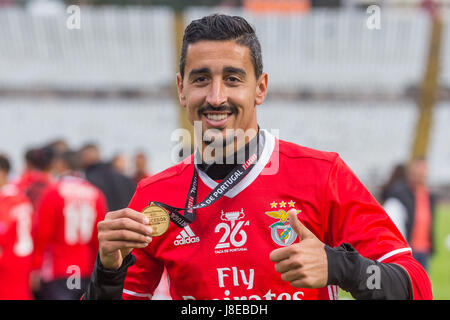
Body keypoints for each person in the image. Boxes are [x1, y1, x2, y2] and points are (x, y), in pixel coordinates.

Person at [83, 14, 432, 300]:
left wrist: (340, 267)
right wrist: (108, 270)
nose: (216, 97)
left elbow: (416, 287)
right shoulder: (154, 197)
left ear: (260, 88)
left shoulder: (322, 175)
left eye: (233, 79)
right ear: (181, 89)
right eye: (201, 79)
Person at [32, 151, 107, 299]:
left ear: (61, 165)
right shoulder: (95, 194)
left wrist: (35, 267)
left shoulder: (53, 192)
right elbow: (100, 237)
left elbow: (42, 233)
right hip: (85, 269)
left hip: (58, 268)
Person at [383, 157, 436, 271]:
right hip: (409, 247)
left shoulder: (429, 195)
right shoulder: (402, 193)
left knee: (422, 283)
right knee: (408, 282)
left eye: (424, 172)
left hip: (424, 248)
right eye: (419, 172)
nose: (422, 175)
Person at [0, 154, 34, 299]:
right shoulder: (21, 197)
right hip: (23, 260)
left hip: (7, 262)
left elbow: (3, 233)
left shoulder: (6, 200)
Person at [79, 144, 136, 211]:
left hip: (103, 220)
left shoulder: (88, 180)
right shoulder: (126, 179)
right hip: (125, 219)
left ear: (85, 157)